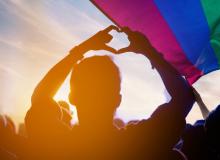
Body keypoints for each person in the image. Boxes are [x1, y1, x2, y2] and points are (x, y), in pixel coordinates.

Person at [24, 25, 194, 159]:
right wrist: (149, 52)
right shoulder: (138, 144)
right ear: (117, 99)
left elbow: (40, 97)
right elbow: (184, 98)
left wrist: (80, 51)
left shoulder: (58, 144)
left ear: (72, 97)